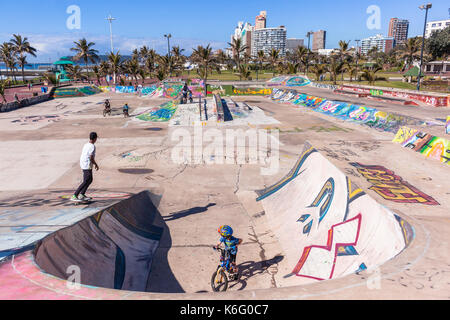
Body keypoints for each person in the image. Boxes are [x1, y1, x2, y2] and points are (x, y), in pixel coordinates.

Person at [71, 132, 99, 202]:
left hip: (83, 163)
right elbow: (91, 157)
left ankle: (82, 194)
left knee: (90, 179)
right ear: (95, 138)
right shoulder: (92, 146)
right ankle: (75, 195)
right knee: (86, 181)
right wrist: (96, 164)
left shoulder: (86, 144)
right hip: (87, 164)